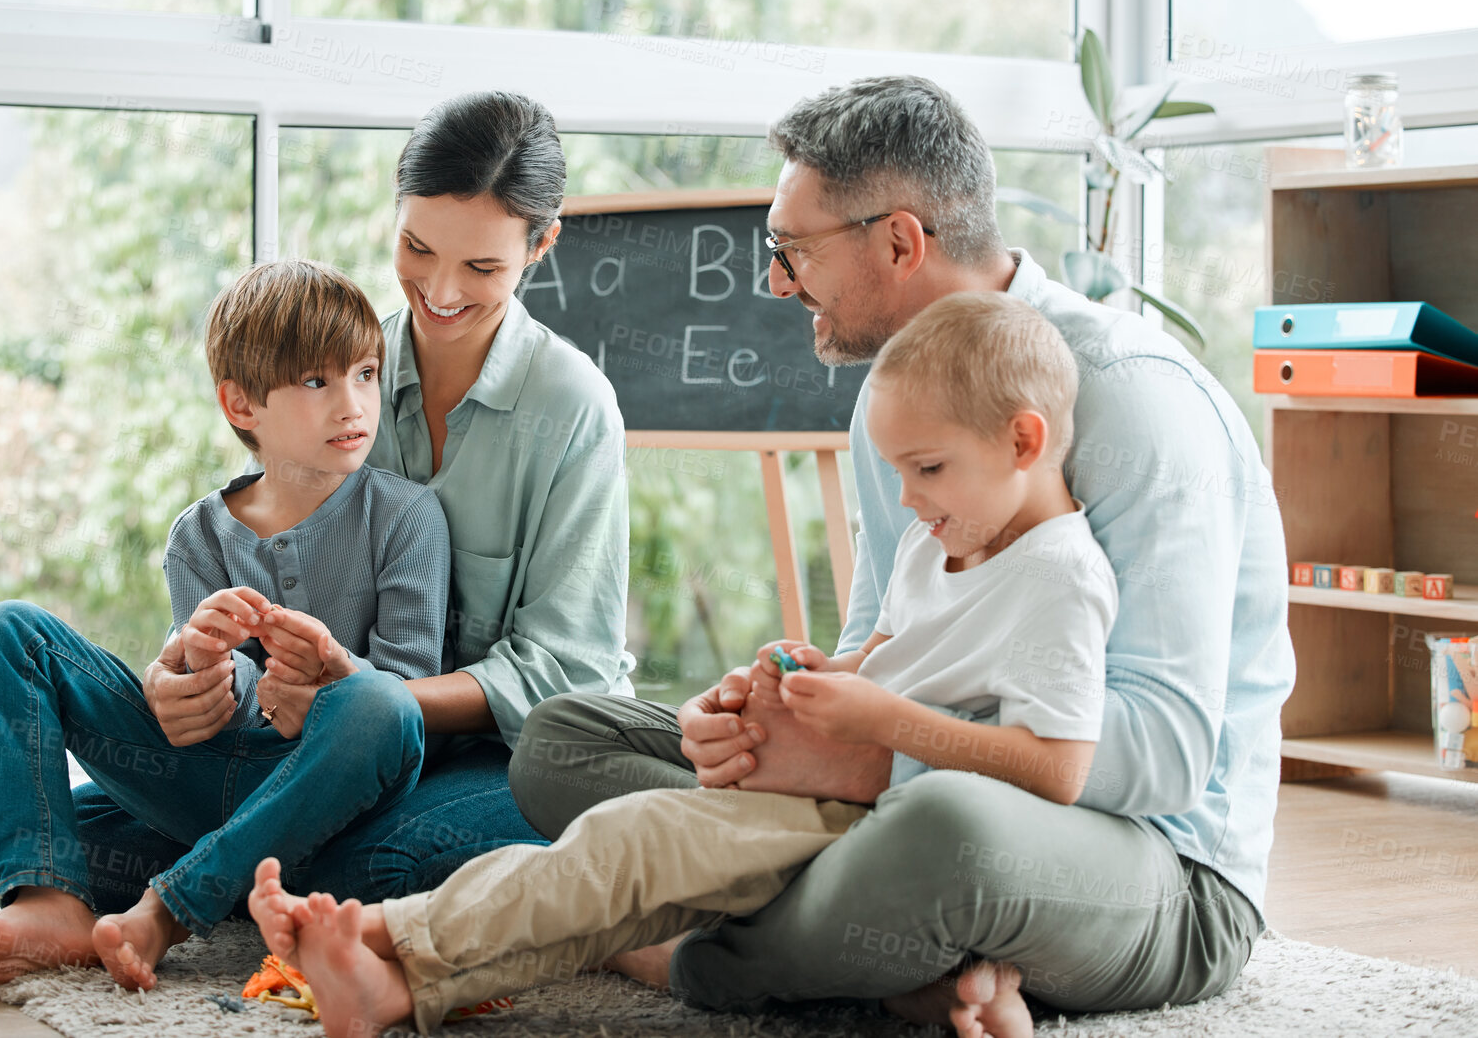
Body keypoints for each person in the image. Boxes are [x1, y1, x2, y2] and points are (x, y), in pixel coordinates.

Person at [510, 75, 1292, 1038]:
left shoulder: (1132, 399)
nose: (774, 282)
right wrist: (778, 704)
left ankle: (672, 952)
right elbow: (881, 648)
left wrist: (880, 759)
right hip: (900, 808)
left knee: (945, 831)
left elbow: (1170, 756)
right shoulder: (893, 396)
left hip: (1160, 870)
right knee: (565, 738)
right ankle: (894, 965)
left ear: (898, 241)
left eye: (793, 251)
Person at [239, 291, 1118, 1038]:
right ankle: (394, 971)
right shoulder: (945, 533)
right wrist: (809, 672)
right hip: (818, 788)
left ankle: (395, 938)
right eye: (897, 470)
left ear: (1023, 442)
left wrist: (875, 722)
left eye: (925, 468)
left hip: (884, 818)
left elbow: (1058, 768)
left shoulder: (1058, 577)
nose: (905, 498)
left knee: (639, 845)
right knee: (622, 838)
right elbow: (887, 657)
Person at [56, 89, 636, 967]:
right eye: (415, 248)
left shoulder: (571, 409)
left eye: (481, 267)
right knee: (76, 815)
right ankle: (265, 861)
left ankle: (201, 885)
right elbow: (260, 540)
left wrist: (364, 696)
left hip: (499, 756)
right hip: (331, 748)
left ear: (539, 245)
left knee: (386, 853)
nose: (440, 291)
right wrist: (178, 670)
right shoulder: (346, 363)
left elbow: (565, 670)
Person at [0, 261, 450, 992]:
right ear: (241, 403)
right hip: (211, 777)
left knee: (380, 705)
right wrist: (187, 666)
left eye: (364, 373)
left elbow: (407, 697)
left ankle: (170, 906)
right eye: (315, 381)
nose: (351, 403)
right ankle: (50, 902)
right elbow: (201, 721)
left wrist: (334, 672)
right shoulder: (197, 534)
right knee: (4, 631)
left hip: (331, 792)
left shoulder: (406, 516)